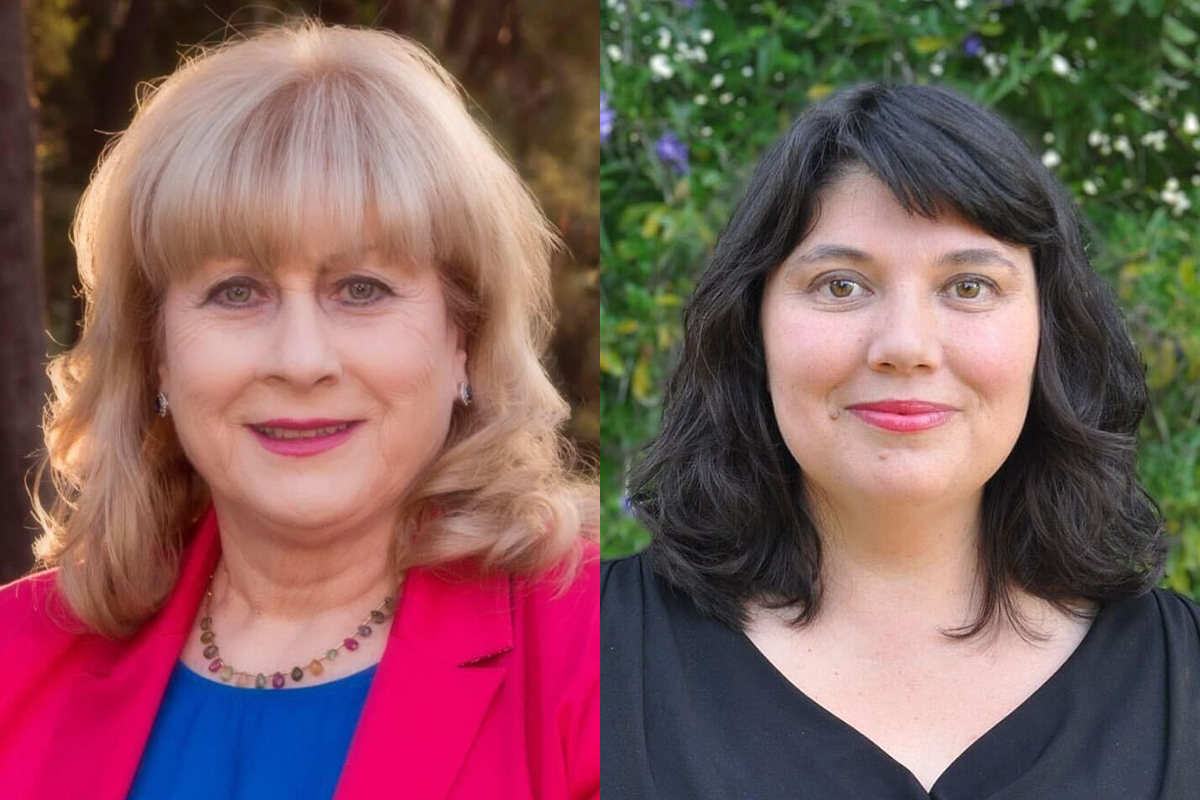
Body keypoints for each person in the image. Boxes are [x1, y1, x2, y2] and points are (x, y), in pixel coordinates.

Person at [0, 19, 599, 800]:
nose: (300, 360)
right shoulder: (17, 661)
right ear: (155, 352)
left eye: (362, 289)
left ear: (466, 341)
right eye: (236, 291)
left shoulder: (604, 652)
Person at [601, 82, 1200, 799]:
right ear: (752, 330)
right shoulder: (577, 656)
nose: (906, 346)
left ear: (1049, 333)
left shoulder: (1184, 676)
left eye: (970, 286)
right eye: (841, 285)